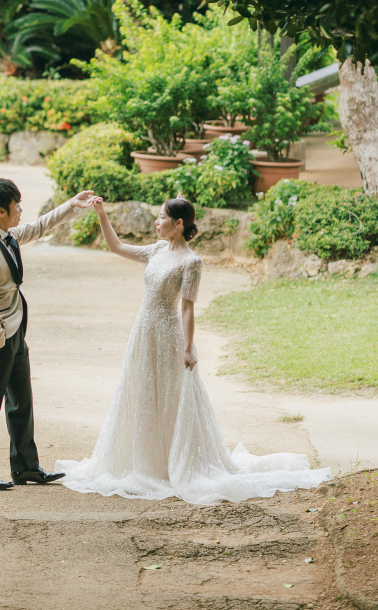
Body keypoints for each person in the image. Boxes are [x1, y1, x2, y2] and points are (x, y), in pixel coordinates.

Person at [59, 196, 331, 504]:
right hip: (143, 332)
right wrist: (102, 215)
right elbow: (116, 247)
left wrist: (188, 348)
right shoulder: (158, 250)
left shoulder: (192, 262)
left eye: (161, 217)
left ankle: (172, 462)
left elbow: (187, 308)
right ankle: (146, 460)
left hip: (168, 335)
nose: (156, 222)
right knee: (142, 392)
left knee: (171, 396)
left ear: (178, 224)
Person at [0, 178, 98, 491]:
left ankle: (26, 468)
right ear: (0, 211)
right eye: (16, 206)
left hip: (16, 332)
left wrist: (71, 205)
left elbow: (40, 226)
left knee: (21, 402)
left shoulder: (8, 235)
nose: (21, 210)